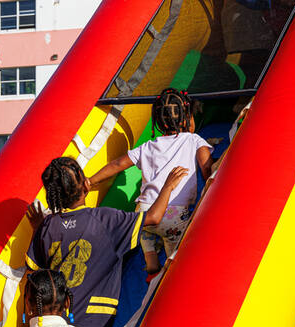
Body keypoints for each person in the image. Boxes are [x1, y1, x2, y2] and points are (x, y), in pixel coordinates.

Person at [25, 156, 187, 327]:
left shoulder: (47, 226)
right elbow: (153, 217)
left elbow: (34, 271)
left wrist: (38, 229)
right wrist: (167, 187)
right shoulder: (104, 219)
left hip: (56, 319)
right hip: (93, 319)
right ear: (85, 185)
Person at [88, 89, 214, 277]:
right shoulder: (193, 140)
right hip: (173, 212)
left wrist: (90, 181)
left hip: (144, 211)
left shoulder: (148, 146)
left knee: (148, 235)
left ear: (157, 121)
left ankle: (151, 264)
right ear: (186, 118)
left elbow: (118, 164)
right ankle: (167, 274)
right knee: (174, 252)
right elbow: (206, 168)